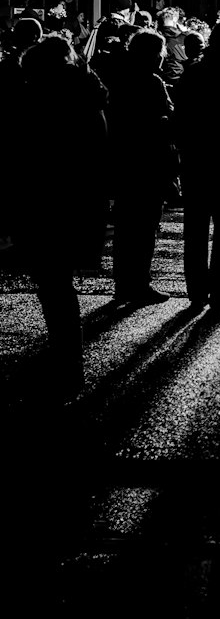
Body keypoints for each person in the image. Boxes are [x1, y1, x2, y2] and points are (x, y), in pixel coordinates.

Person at [4, 34, 109, 400]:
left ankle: (66, 365)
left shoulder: (35, 102)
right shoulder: (89, 97)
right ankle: (68, 362)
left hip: (42, 202)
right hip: (80, 202)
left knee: (53, 285)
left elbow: (20, 158)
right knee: (59, 285)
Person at [172, 22, 220, 312]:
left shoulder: (193, 72)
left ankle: (198, 290)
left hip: (195, 159)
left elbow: (182, 115)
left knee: (196, 228)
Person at [105, 30, 176, 305]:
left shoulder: (117, 79)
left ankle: (123, 283)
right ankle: (139, 283)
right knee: (144, 226)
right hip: (148, 162)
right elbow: (165, 120)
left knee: (125, 226)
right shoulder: (151, 82)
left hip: (124, 161)